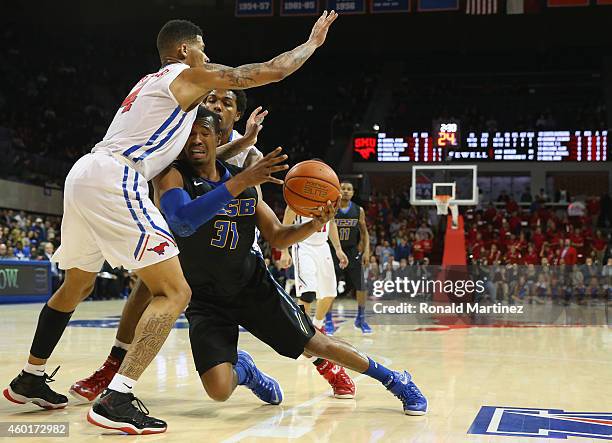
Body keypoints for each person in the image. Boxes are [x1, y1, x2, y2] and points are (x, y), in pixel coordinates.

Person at [3, 13, 339, 435]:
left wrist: (245, 143)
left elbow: (192, 154)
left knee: (77, 285)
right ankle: (118, 398)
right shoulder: (185, 75)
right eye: (203, 49)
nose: (207, 58)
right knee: (176, 290)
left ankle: (30, 378)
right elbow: (262, 72)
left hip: (85, 173)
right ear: (184, 50)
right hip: (117, 178)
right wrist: (311, 44)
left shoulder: (149, 88)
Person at [73, 109, 427, 419]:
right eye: (190, 135)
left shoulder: (244, 184)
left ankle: (394, 379)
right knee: (219, 389)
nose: (196, 140)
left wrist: (313, 224)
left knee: (317, 344)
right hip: (204, 299)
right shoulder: (173, 177)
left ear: (216, 138)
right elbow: (181, 220)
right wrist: (243, 179)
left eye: (204, 133)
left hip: (250, 286)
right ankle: (247, 371)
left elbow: (276, 235)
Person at [279, 203, 348, 336]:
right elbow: (286, 222)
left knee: (329, 293)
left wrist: (338, 249)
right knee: (307, 293)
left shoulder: (329, 195)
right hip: (303, 245)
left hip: (323, 246)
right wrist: (284, 250)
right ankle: (303, 333)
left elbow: (331, 222)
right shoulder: (299, 195)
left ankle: (317, 329)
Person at [333, 181, 372, 334]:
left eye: (349, 189)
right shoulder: (332, 207)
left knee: (361, 285)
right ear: (339, 191)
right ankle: (328, 320)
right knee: (330, 288)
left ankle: (361, 319)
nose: (346, 191)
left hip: (351, 250)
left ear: (353, 192)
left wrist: (367, 251)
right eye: (343, 188)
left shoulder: (358, 210)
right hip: (333, 251)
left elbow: (364, 232)